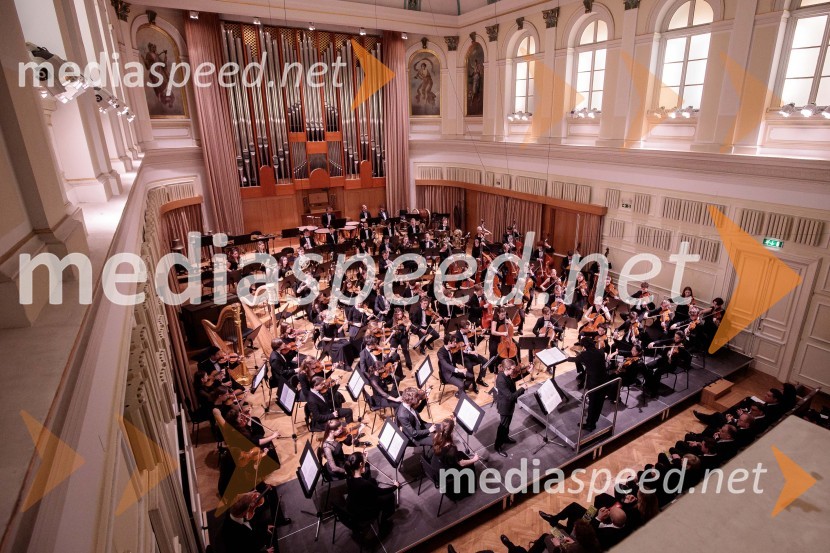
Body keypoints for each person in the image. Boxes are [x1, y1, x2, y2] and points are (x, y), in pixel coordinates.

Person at [344, 452, 399, 532]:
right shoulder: (365, 484)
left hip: (354, 504)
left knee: (372, 480)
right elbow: (381, 492)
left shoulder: (349, 477)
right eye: (364, 461)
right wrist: (395, 486)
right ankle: (384, 522)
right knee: (390, 496)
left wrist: (364, 459)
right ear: (360, 464)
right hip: (364, 511)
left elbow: (365, 475)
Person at [566, 337, 607, 432]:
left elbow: (575, 359)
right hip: (604, 380)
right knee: (599, 403)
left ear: (584, 346)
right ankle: (594, 422)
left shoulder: (585, 354)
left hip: (594, 382)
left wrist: (566, 357)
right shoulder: (600, 351)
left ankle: (590, 425)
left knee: (592, 404)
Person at [494, 359, 526, 457]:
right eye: (513, 369)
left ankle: (506, 438)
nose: (514, 370)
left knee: (507, 424)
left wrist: (528, 372)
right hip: (504, 407)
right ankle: (497, 446)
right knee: (503, 427)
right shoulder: (500, 380)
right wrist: (522, 389)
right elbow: (511, 396)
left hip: (509, 405)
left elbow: (515, 379)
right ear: (507, 369)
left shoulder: (507, 375)